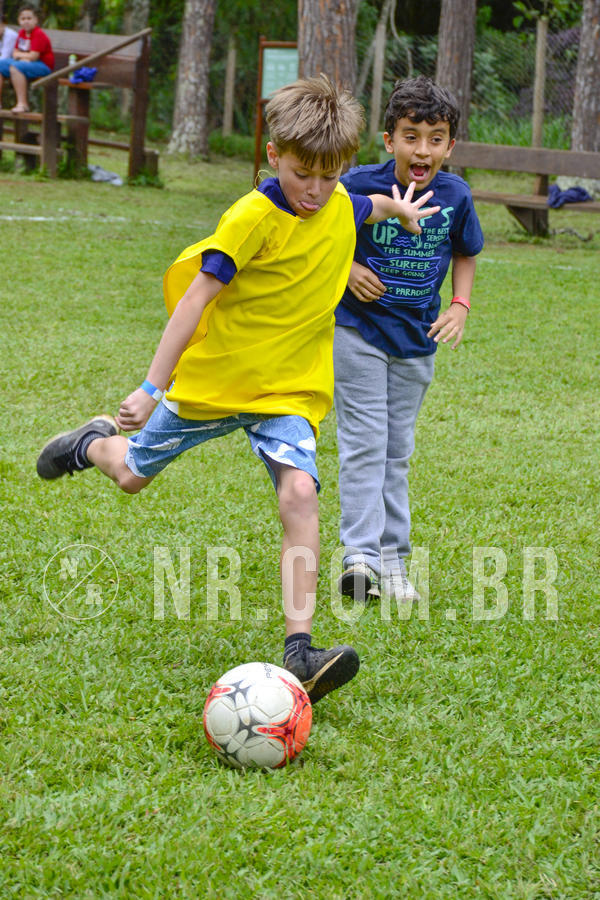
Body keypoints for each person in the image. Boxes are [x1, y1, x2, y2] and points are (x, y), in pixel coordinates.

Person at [36, 76, 440, 705]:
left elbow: (369, 207)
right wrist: (150, 388)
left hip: (287, 393)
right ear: (274, 155)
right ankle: (92, 444)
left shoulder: (339, 203)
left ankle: (300, 651)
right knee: (133, 476)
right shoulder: (252, 217)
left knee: (301, 492)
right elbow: (196, 300)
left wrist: (402, 210)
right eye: (303, 173)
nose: (315, 190)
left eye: (330, 175)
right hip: (217, 384)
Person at [334, 75, 484, 604]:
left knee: (396, 452)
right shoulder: (354, 185)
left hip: (417, 340)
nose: (423, 149)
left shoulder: (455, 195)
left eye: (435, 137)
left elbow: (466, 251)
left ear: (450, 145)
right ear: (389, 140)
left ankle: (394, 565)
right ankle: (360, 559)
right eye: (411, 136)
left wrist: (460, 306)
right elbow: (319, 237)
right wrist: (349, 267)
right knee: (364, 443)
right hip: (357, 331)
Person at [0, 3, 54, 113]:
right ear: (19, 21)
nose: (26, 21)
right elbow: (15, 53)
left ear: (36, 20)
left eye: (29, 18)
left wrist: (23, 57)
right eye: (23, 18)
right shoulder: (21, 33)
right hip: (25, 63)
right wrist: (23, 57)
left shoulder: (38, 34)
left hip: (43, 66)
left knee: (15, 67)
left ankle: (22, 104)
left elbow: (34, 56)